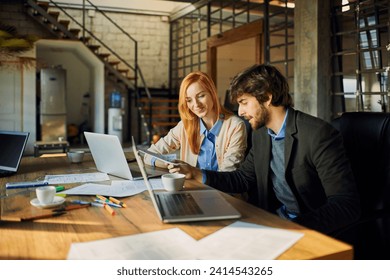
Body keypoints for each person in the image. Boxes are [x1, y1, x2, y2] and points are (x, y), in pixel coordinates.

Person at [168, 64, 361, 235]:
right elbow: (242, 179)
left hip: (305, 227)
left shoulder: (318, 134)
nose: (241, 112)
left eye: (244, 103)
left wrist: (290, 228)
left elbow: (346, 205)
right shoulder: (261, 133)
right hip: (271, 220)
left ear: (267, 97)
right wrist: (195, 173)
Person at [143, 71, 247, 172]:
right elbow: (148, 154)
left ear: (212, 93)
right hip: (191, 188)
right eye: (189, 100)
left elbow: (228, 172)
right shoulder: (185, 126)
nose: (196, 104)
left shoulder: (235, 126)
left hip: (221, 189)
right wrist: (170, 164)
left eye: (201, 96)